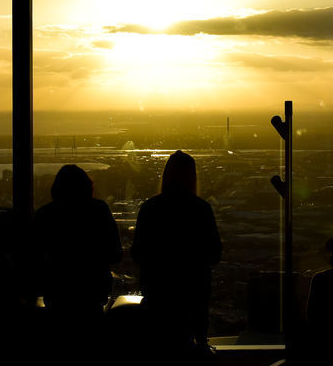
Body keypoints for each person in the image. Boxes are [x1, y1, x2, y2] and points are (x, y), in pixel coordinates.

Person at [131, 150, 221, 351]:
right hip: (193, 299)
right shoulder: (201, 209)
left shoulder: (150, 208)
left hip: (158, 299)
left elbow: (138, 253)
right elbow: (214, 254)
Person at [32, 164, 122, 319]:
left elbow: (34, 257)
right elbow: (115, 254)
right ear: (87, 186)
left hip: (57, 292)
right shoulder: (99, 210)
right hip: (92, 292)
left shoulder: (45, 214)